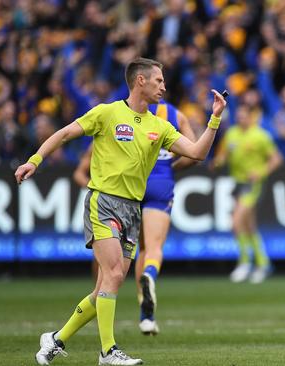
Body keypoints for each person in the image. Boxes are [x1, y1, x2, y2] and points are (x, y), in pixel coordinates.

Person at [17, 57, 226, 366]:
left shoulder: (160, 126)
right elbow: (64, 134)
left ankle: (55, 339)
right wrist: (34, 160)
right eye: (158, 81)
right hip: (103, 201)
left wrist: (215, 119)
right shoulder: (108, 113)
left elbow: (197, 152)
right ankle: (107, 352)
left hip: (132, 210)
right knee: (113, 275)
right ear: (140, 81)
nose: (164, 86)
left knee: (107, 285)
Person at [73, 99, 198, 336]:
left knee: (104, 259)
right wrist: (170, 165)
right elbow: (194, 152)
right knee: (151, 248)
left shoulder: (117, 116)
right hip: (160, 182)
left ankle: (98, 301)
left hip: (127, 187)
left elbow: (80, 166)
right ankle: (147, 309)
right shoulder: (174, 115)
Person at [212, 104, 283, 284]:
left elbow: (277, 159)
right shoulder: (231, 134)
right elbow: (223, 155)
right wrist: (218, 162)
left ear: (251, 117)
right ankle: (263, 263)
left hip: (253, 184)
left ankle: (244, 262)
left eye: (244, 115)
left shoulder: (260, 136)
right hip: (238, 182)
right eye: (239, 115)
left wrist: (261, 172)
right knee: (249, 226)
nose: (241, 118)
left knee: (236, 222)